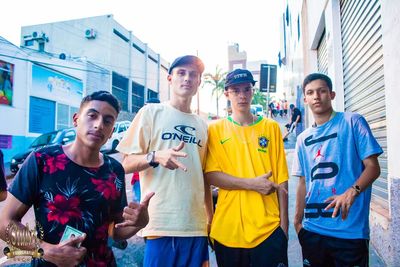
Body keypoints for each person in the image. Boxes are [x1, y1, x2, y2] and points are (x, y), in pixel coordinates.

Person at [0, 91, 153, 266]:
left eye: (107, 120)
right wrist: (46, 251)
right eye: (92, 115)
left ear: (112, 132)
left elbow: (114, 231)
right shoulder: (42, 160)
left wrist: (140, 223)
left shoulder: (114, 170)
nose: (98, 125)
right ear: (76, 119)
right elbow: (5, 223)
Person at [117, 55, 213, 267]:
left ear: (199, 82)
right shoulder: (151, 113)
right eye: (181, 73)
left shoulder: (203, 125)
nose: (187, 78)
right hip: (160, 223)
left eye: (193, 74)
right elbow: (124, 164)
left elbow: (203, 177)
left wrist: (210, 219)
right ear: (170, 78)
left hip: (195, 227)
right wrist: (155, 156)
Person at [292, 73, 383, 266]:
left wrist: (352, 191)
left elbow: (373, 167)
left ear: (332, 95)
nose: (316, 96)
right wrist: (298, 222)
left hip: (349, 231)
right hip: (312, 230)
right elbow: (302, 182)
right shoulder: (302, 139)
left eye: (321, 91)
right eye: (310, 92)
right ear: (305, 99)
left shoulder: (353, 122)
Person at [205, 69, 289, 267]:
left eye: (246, 89)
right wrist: (252, 184)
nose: (242, 95)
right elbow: (211, 176)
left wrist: (284, 227)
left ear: (253, 91)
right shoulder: (214, 130)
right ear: (226, 93)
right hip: (228, 230)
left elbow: (282, 179)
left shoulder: (271, 128)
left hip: (268, 229)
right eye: (235, 90)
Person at [130, 97, 161, 203]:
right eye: (145, 108)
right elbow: (127, 159)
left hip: (159, 180)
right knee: (139, 208)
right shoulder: (138, 127)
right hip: (139, 179)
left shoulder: (163, 129)